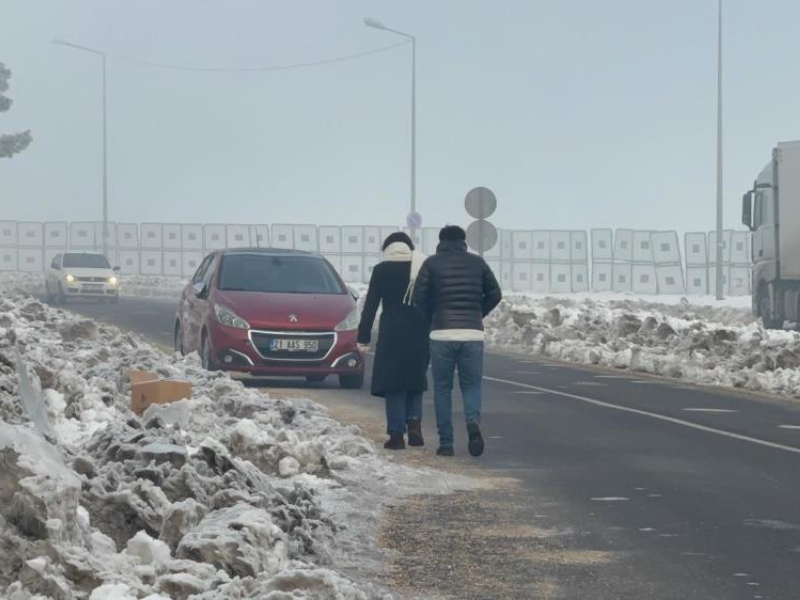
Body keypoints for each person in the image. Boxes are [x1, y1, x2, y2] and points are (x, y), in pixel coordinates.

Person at [413, 225, 502, 457]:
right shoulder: (478, 263)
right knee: (471, 385)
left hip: (442, 334)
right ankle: (472, 424)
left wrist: (433, 316)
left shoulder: (431, 264)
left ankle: (446, 443)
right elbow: (495, 294)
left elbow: (418, 298)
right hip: (472, 334)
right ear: (464, 241)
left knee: (442, 389)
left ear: (440, 241)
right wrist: (477, 313)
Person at [357, 232, 430, 450]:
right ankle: (415, 423)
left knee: (394, 383)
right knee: (415, 379)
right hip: (419, 330)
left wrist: (363, 337)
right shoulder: (421, 268)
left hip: (392, 332)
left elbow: (370, 305)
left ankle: (397, 433)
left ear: (387, 249)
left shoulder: (382, 270)